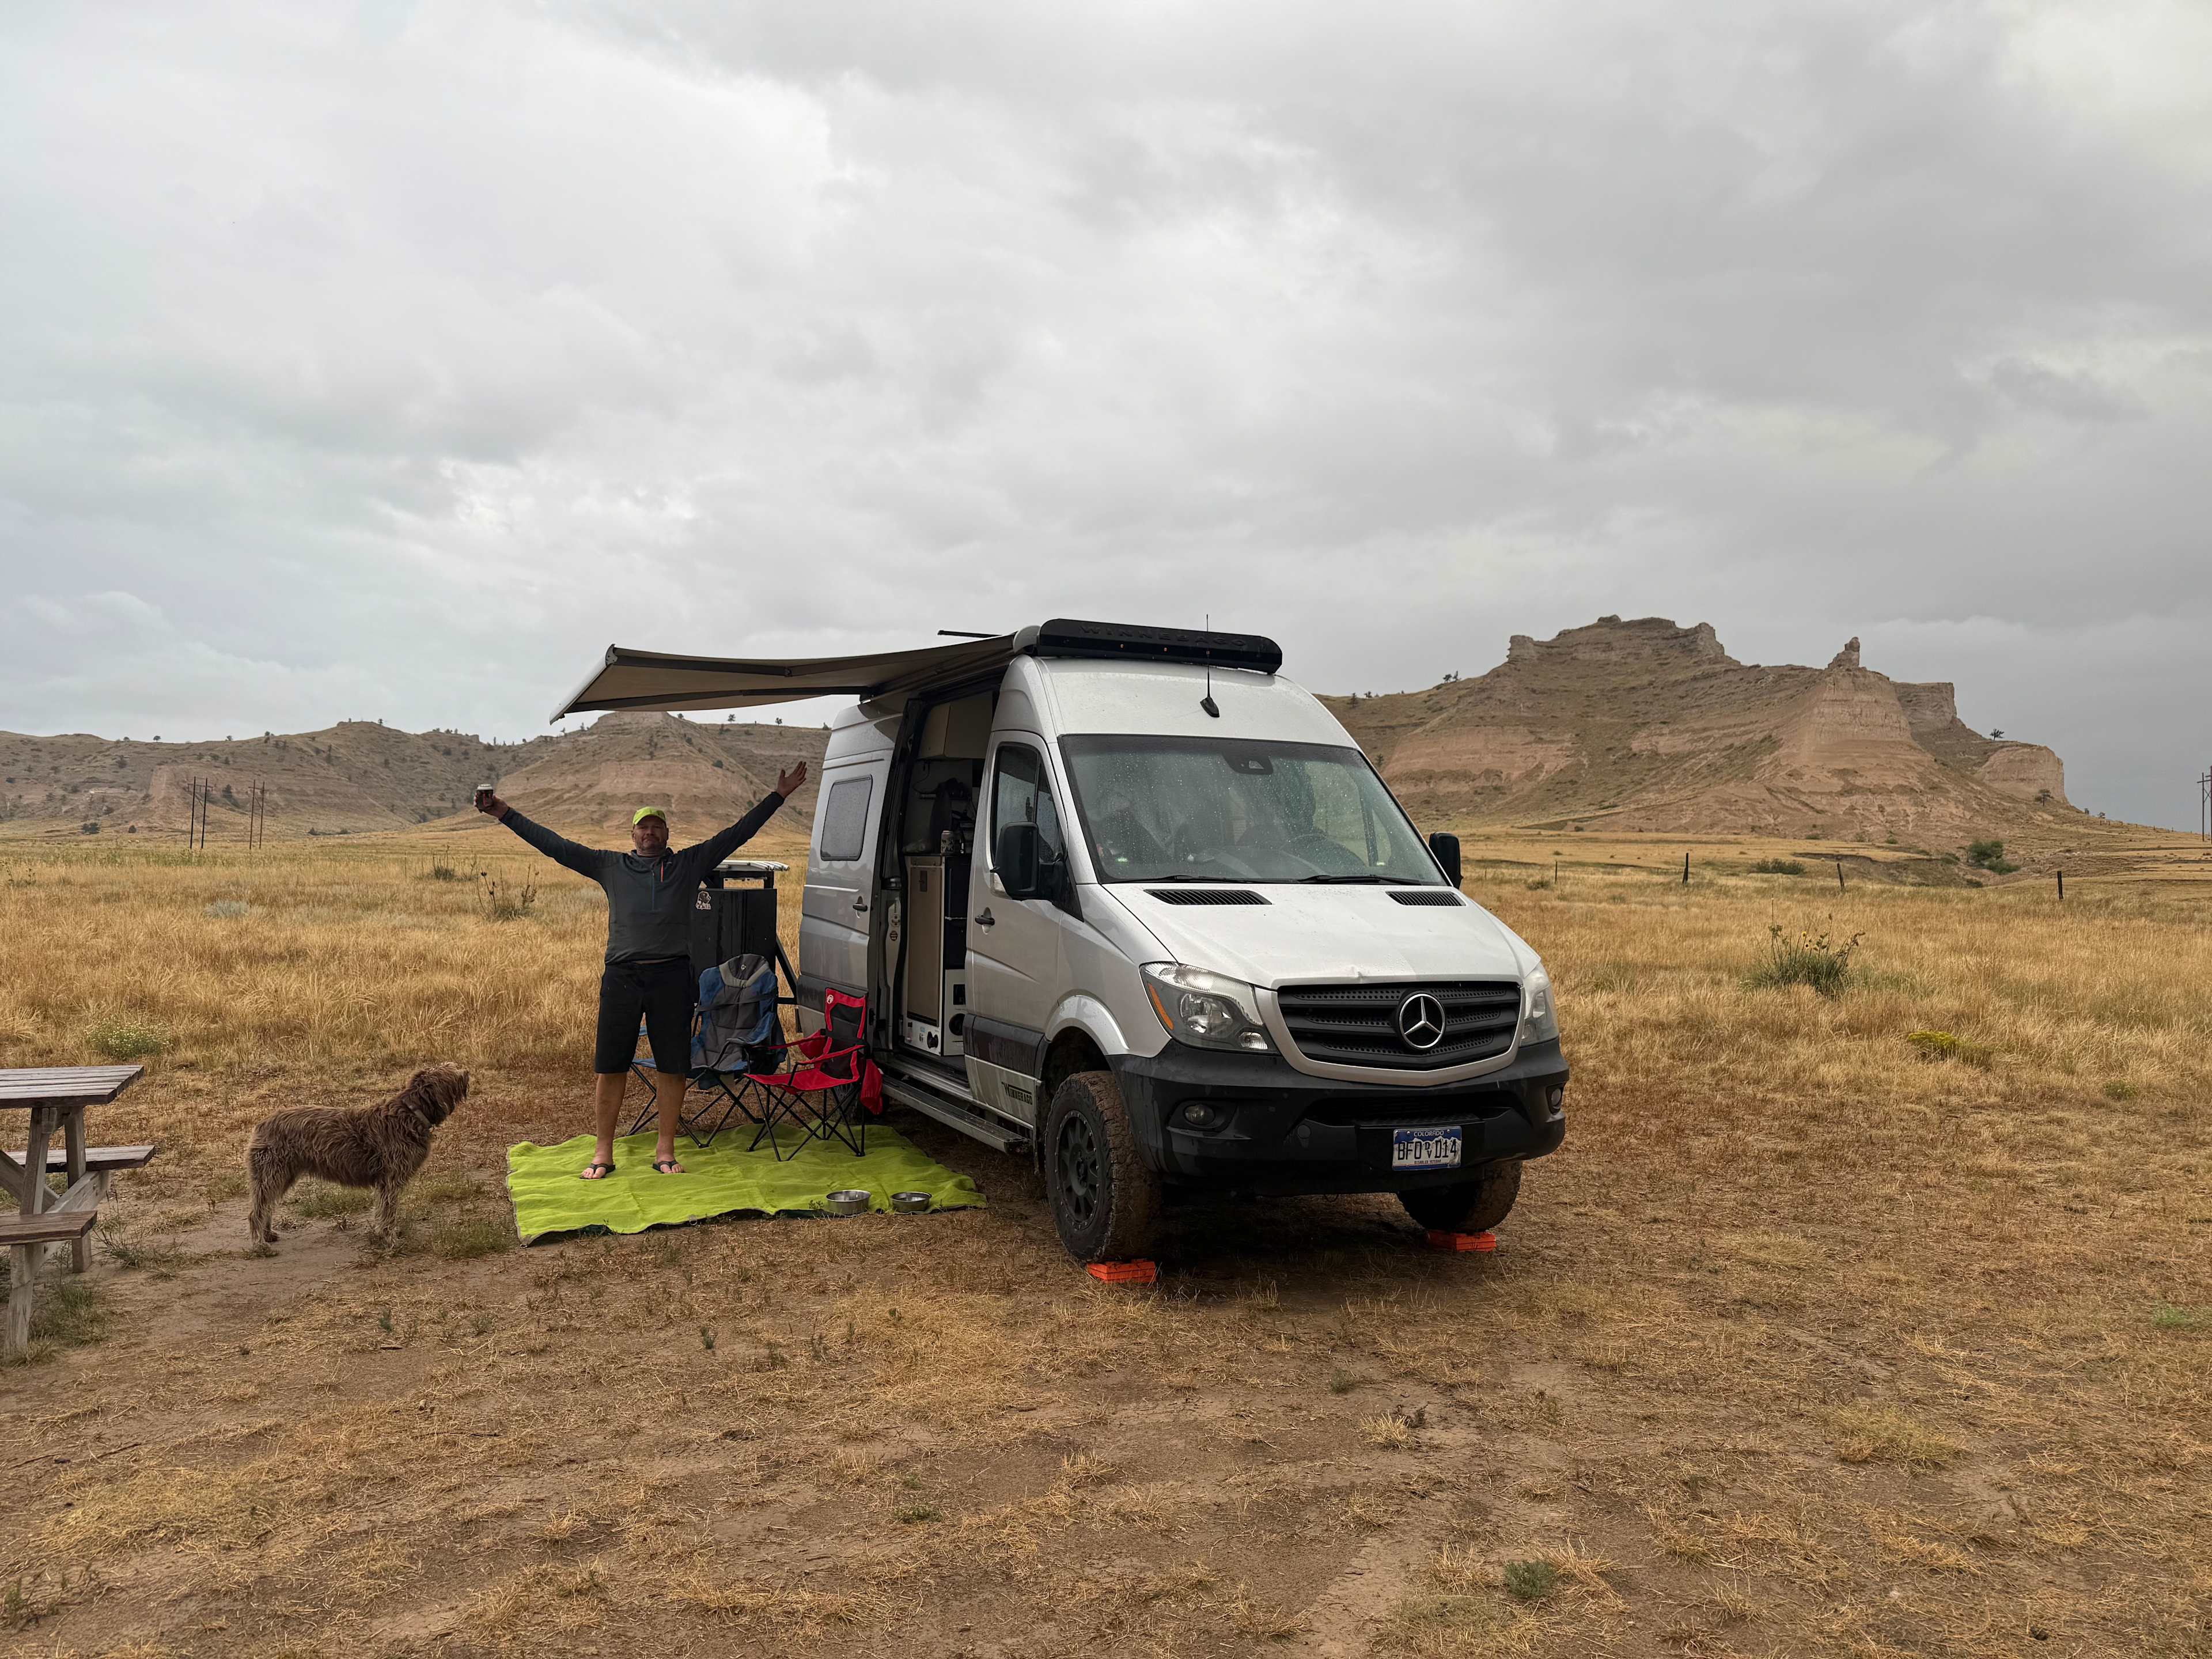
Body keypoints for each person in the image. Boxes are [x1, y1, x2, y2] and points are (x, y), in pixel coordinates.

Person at [476, 764, 807, 1179]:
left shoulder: (690, 864)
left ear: (667, 834)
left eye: (657, 827)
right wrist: (503, 812)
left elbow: (738, 833)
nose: (649, 833)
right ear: (632, 835)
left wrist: (779, 796)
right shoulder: (609, 866)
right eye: (643, 828)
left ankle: (665, 1151)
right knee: (610, 1064)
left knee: (673, 1066)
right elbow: (554, 845)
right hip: (622, 977)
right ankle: (602, 1152)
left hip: (672, 977)